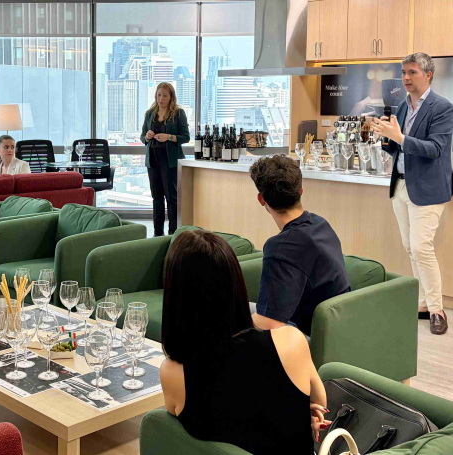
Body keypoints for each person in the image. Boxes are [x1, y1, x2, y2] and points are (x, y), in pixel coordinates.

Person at [160, 229, 330, 453]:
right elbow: (318, 402)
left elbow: (228, 423)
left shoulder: (173, 373)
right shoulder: (291, 341)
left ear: (175, 298)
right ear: (236, 283)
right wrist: (295, 414)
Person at [372, 52, 453, 335]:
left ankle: (437, 310)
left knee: (421, 248)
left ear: (428, 75)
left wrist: (400, 137)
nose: (406, 78)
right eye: (404, 72)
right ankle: (423, 303)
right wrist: (385, 138)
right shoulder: (402, 107)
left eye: (412, 72)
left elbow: (435, 149)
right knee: (410, 247)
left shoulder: (442, 108)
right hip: (401, 186)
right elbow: (398, 148)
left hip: (428, 188)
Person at [248, 155, 350, 335]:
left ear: (261, 199)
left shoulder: (282, 248)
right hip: (339, 332)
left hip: (306, 338)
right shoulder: (320, 224)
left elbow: (269, 323)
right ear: (300, 191)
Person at [140, 82, 190, 237]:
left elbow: (186, 137)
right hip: (153, 160)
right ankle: (157, 233)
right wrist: (147, 137)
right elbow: (142, 136)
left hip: (170, 161)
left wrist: (168, 137)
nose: (160, 98)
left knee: (171, 198)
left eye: (164, 96)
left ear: (171, 97)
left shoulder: (178, 113)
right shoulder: (150, 113)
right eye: (159, 95)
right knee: (156, 198)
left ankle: (173, 233)